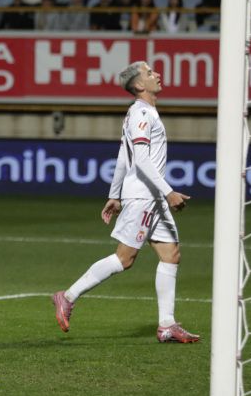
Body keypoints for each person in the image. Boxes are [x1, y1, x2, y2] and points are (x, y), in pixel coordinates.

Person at [50, 62, 200, 343]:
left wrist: (114, 194)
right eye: (150, 73)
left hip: (150, 197)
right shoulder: (142, 113)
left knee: (171, 255)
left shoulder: (142, 112)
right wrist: (168, 191)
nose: (157, 74)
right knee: (124, 258)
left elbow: (123, 156)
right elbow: (139, 159)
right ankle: (67, 296)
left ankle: (167, 324)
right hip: (144, 196)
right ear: (140, 85)